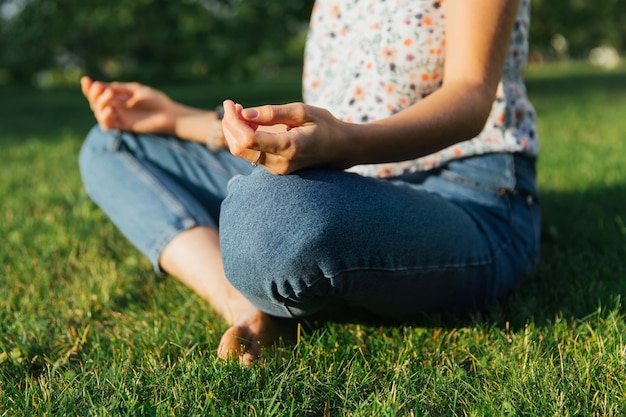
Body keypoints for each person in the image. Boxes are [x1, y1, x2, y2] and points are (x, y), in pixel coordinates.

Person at [79, 0, 540, 365]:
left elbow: (470, 96)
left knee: (273, 221)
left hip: (463, 191)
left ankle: (277, 261)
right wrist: (175, 119)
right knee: (112, 143)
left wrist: (345, 145)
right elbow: (322, 127)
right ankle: (241, 303)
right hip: (339, 182)